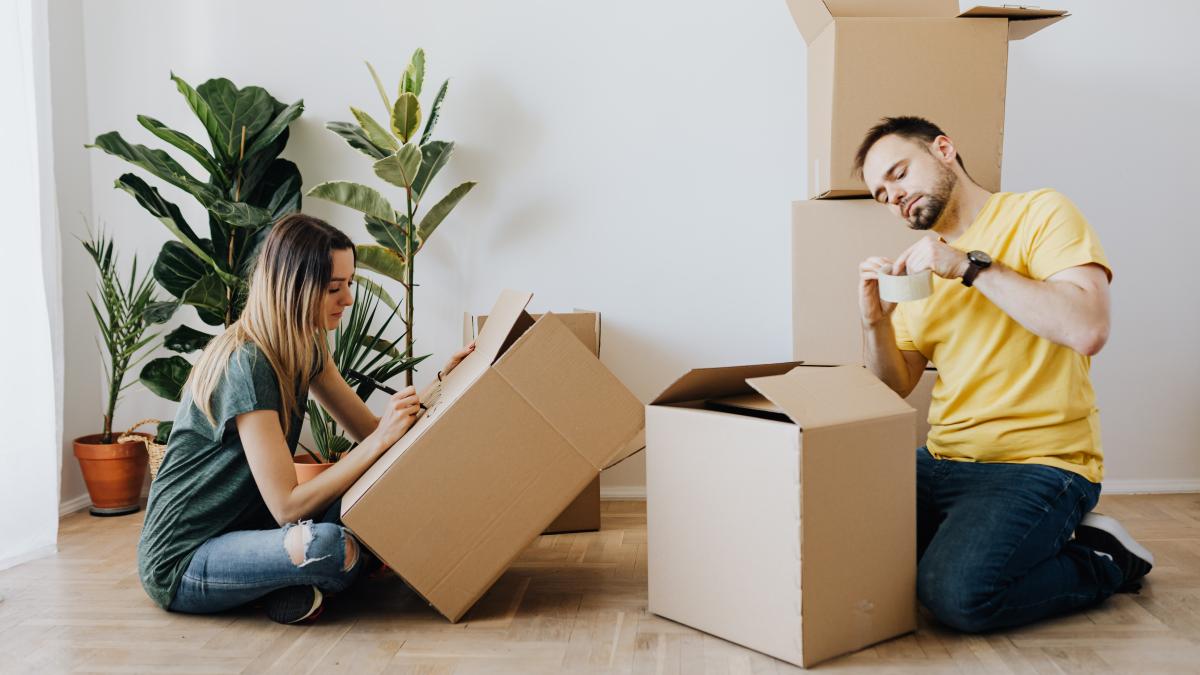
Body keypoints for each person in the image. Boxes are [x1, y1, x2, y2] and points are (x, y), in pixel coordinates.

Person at [853, 116, 1153, 633]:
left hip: (1039, 463)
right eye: (881, 195)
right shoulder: (919, 268)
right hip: (941, 458)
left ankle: (1103, 558)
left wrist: (969, 267)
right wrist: (873, 323)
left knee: (958, 595)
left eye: (899, 174)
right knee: (839, 544)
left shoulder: (1039, 212)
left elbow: (1087, 329)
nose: (893, 197)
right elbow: (894, 384)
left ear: (944, 149)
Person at [137, 213, 474, 624]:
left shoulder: (306, 346)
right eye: (334, 287)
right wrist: (379, 441)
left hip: (253, 533)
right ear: (293, 288)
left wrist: (442, 384)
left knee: (378, 496)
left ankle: (294, 585)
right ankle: (305, 573)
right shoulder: (248, 361)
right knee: (329, 545)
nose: (347, 299)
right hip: (185, 560)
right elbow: (286, 506)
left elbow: (375, 433)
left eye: (349, 284)